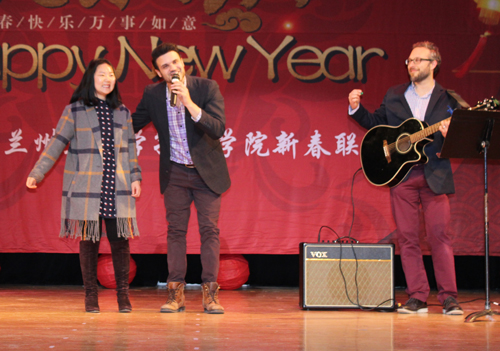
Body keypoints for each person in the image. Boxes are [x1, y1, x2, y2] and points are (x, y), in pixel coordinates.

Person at [348, 41, 463, 315]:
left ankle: (449, 298)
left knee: (439, 236)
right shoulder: (395, 94)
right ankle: (417, 296)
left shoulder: (448, 98)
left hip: (435, 174)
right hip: (402, 175)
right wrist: (356, 108)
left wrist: (451, 135)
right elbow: (377, 126)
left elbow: (462, 138)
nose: (412, 65)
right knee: (408, 238)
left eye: (418, 60)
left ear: (434, 64)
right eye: (409, 61)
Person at [26, 58, 142, 313]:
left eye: (111, 74)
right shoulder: (76, 110)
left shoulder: (122, 112)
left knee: (120, 242)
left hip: (117, 186)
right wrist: (38, 172)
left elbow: (130, 149)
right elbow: (57, 143)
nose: (108, 79)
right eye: (102, 74)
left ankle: (123, 296)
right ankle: (91, 297)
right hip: (87, 187)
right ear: (91, 79)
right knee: (89, 242)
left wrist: (135, 177)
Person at [132, 43, 230, 314]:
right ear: (157, 71)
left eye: (175, 62)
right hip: (175, 171)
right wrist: (102, 130)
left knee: (209, 231)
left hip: (206, 172)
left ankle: (210, 295)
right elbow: (132, 124)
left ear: (182, 63)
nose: (172, 68)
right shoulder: (152, 94)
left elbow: (218, 127)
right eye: (165, 66)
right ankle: (175, 295)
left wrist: (187, 101)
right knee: (176, 232)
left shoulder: (205, 88)